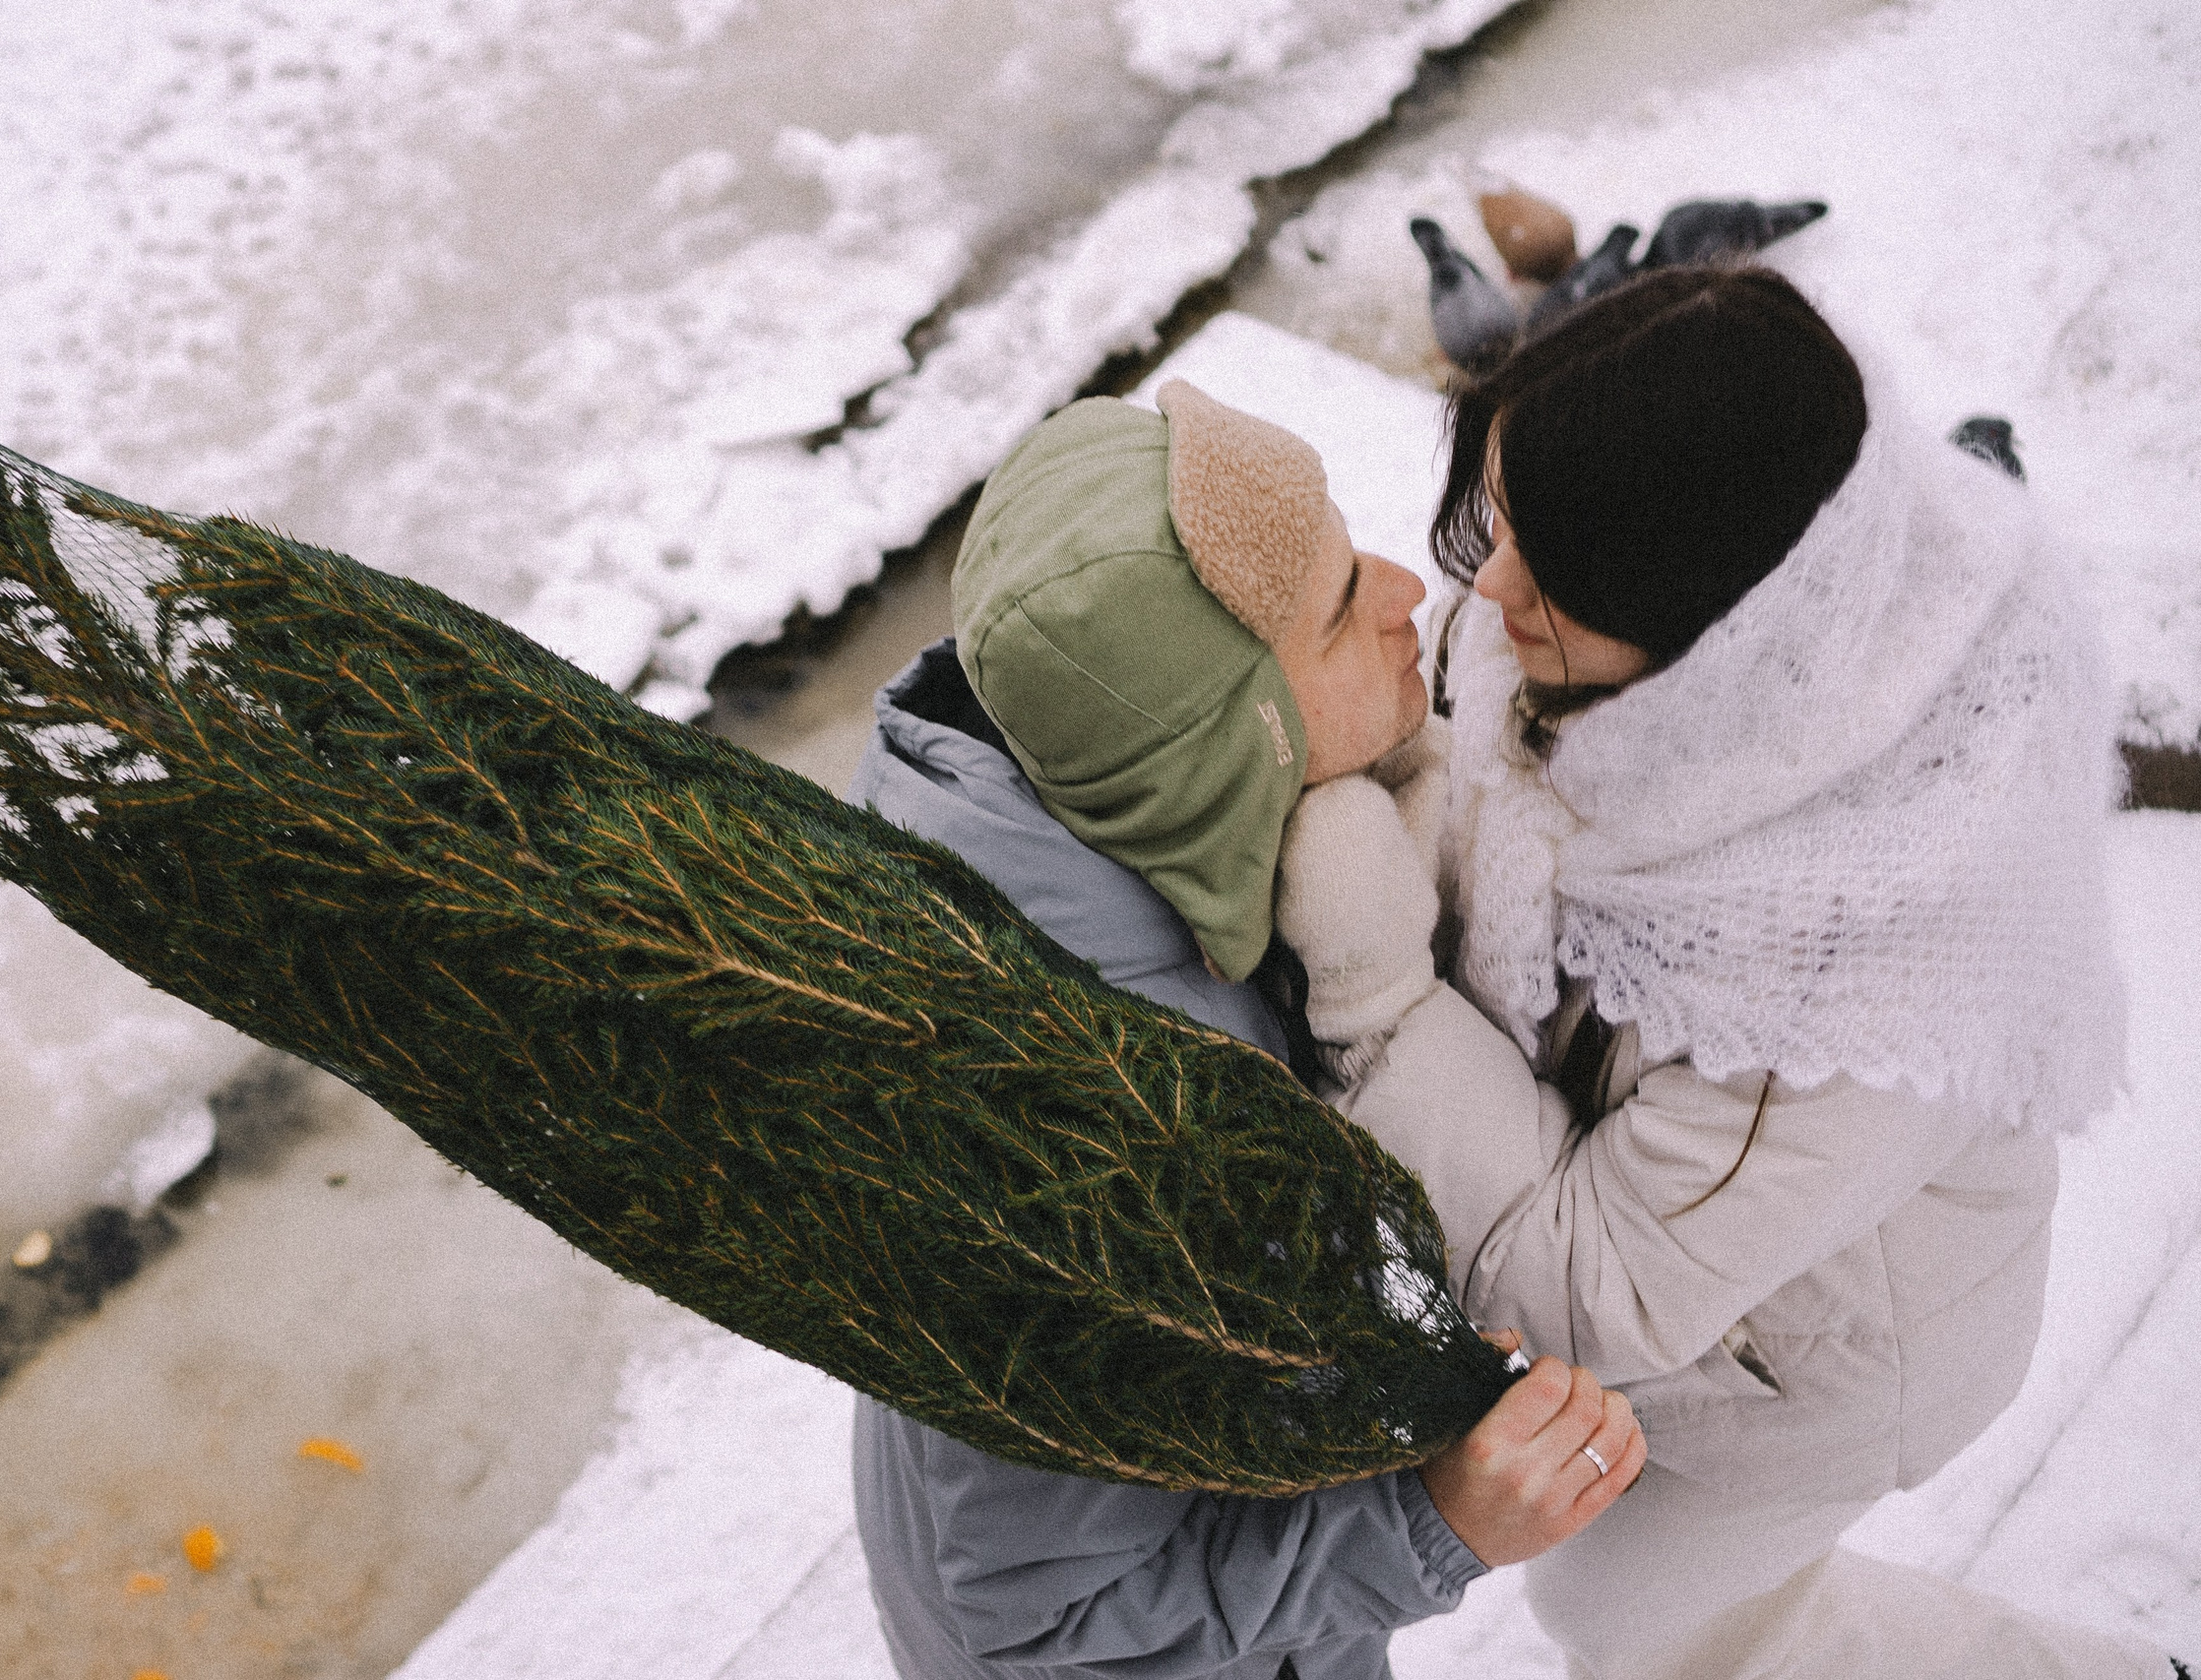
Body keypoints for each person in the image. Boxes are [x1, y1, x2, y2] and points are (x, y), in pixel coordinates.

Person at [1271, 266, 2176, 1677]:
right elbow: (1465, 736)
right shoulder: (1603, 650)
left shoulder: (1853, 959)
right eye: (1500, 517)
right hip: (1715, 1291)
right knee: (1652, 1622)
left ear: (1715, 626)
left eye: (1552, 565)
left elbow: (1596, 1285)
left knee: (1645, 1625)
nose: (1485, 582)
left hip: (1813, 1365)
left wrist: (1377, 1002)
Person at [848, 383, 1644, 1680]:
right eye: (1339, 609)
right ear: (1224, 746)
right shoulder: (1081, 1137)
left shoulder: (1097, 838)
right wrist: (1429, 1526)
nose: (1405, 593)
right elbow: (1043, 1621)